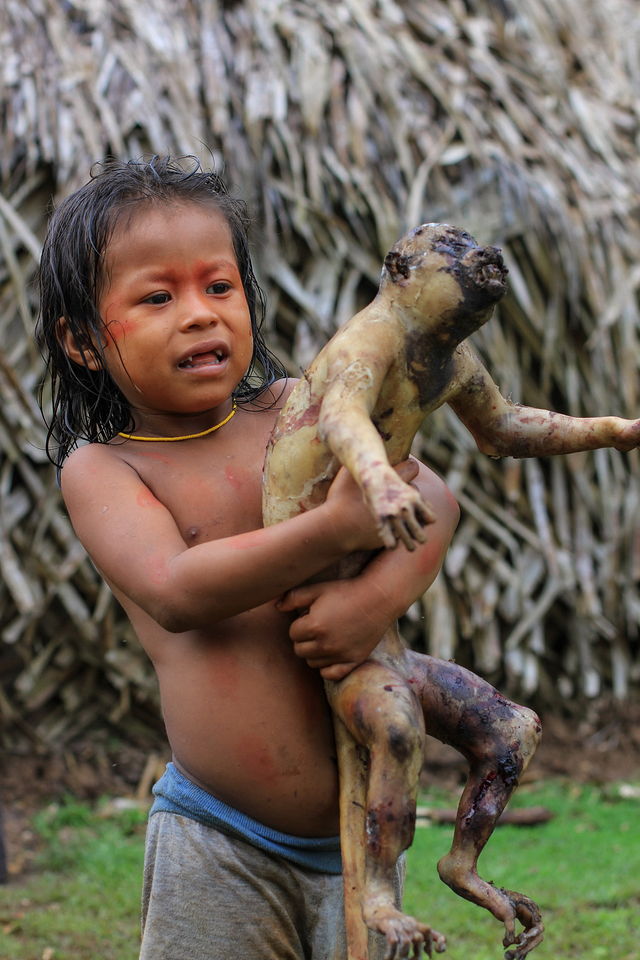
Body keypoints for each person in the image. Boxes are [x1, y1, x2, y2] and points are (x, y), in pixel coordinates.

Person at [37, 155, 460, 960]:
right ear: (84, 342)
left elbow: (435, 499)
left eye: (219, 287)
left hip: (359, 837)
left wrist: (374, 602)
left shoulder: (297, 411)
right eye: (158, 297)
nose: (200, 315)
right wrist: (333, 531)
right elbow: (176, 591)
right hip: (216, 838)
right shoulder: (108, 470)